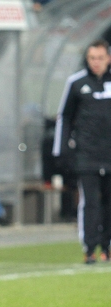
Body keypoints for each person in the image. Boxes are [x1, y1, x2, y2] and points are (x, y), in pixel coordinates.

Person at [54, 39, 111, 264]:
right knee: (90, 203)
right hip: (86, 155)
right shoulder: (77, 83)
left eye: (99, 58)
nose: (95, 63)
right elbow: (64, 117)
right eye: (91, 58)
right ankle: (90, 248)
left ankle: (107, 246)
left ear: (108, 58)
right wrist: (61, 151)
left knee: (109, 203)